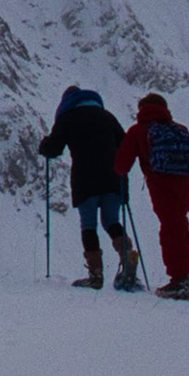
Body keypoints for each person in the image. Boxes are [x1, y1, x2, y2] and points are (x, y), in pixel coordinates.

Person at [39, 84, 144, 291]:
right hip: (113, 177)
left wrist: (44, 146)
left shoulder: (66, 118)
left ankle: (95, 276)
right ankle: (127, 254)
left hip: (84, 178)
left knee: (89, 226)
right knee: (111, 221)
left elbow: (53, 148)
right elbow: (125, 145)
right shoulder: (107, 116)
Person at [120, 93, 189, 299]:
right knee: (181, 226)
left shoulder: (138, 131)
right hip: (184, 185)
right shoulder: (179, 129)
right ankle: (186, 274)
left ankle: (179, 279)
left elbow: (121, 164)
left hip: (160, 185)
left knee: (170, 228)